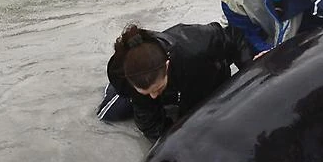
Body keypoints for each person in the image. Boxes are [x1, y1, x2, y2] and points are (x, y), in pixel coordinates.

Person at [106, 22, 251, 141]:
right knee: (110, 115)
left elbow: (235, 36)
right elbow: (149, 124)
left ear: (167, 66)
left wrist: (251, 69)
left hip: (201, 76)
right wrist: (168, 138)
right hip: (161, 87)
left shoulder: (195, 45)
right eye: (147, 92)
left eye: (157, 89)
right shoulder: (121, 75)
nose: (153, 95)